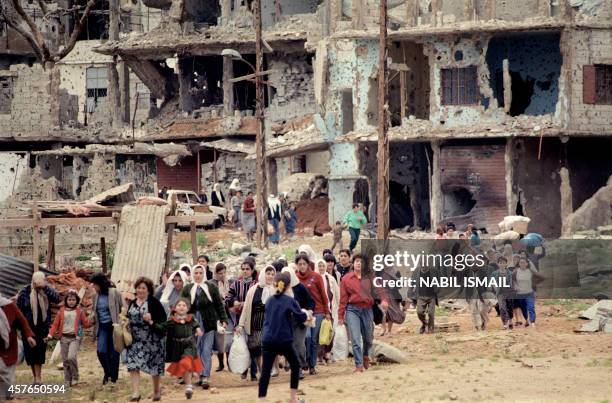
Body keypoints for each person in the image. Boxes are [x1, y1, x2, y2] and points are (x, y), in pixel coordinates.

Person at [257, 272, 310, 402]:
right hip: (284, 339)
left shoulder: (269, 301)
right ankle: (292, 398)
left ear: (275, 284)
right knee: (295, 365)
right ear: (289, 286)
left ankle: (261, 400)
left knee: (265, 371)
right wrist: (307, 313)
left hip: (268, 339)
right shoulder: (290, 301)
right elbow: (301, 317)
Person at [338, 254, 388, 372]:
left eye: (361, 262)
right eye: (356, 261)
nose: (359, 263)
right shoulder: (346, 279)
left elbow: (379, 289)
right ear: (353, 263)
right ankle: (358, 365)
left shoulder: (370, 277)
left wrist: (384, 300)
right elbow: (343, 299)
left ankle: (366, 355)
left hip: (367, 309)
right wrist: (340, 315)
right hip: (352, 310)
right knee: (355, 339)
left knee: (368, 338)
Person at [182, 264, 228, 389]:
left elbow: (219, 304)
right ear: (192, 274)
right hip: (192, 323)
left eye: (200, 273)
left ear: (204, 274)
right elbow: (182, 306)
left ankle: (205, 377)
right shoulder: (187, 289)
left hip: (208, 322)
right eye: (195, 273)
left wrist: (223, 319)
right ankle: (198, 374)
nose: (198, 275)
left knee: (206, 350)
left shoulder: (211, 287)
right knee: (195, 350)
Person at [152, 298, 204, 400]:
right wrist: (151, 323)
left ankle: (189, 385)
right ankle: (189, 383)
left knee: (186, 361)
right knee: (183, 365)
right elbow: (161, 328)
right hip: (176, 346)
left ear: (188, 308)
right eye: (179, 305)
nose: (181, 307)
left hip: (189, 344)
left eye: (184, 305)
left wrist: (198, 329)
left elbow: (196, 324)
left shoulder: (190, 318)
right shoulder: (172, 320)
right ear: (175, 308)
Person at [126, 277, 167, 402]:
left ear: (148, 290)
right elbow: (128, 317)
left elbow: (163, 320)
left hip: (152, 339)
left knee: (154, 367)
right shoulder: (132, 303)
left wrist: (151, 319)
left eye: (143, 288)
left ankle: (156, 391)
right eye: (138, 288)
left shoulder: (154, 302)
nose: (140, 290)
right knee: (133, 365)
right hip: (135, 340)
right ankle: (136, 393)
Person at [16, 271, 60, 384]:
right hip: (28, 327)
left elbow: (57, 298)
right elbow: (19, 310)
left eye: (42, 281)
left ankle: (38, 378)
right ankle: (35, 377)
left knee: (39, 352)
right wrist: (20, 328)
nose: (38, 285)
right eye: (37, 282)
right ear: (33, 281)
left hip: (42, 327)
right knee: (30, 353)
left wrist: (44, 288)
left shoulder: (46, 290)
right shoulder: (25, 292)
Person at [46, 290, 91, 386]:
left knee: (71, 357)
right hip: (63, 338)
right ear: (66, 300)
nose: (71, 301)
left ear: (77, 300)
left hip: (75, 338)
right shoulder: (61, 312)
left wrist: (93, 318)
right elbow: (55, 325)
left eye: (73, 299)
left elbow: (86, 324)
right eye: (69, 299)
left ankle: (75, 377)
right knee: (65, 360)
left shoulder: (80, 311)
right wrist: (50, 335)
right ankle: (67, 380)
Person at [238, 266, 276, 378]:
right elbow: (246, 308)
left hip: (270, 324)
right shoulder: (253, 289)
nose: (270, 276)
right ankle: (262, 371)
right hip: (255, 324)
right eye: (268, 273)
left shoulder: (275, 289)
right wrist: (240, 324)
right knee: (256, 349)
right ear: (263, 274)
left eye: (272, 274)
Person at [295, 253, 330, 375]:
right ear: (297, 265)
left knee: (314, 340)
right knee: (306, 338)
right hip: (302, 313)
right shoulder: (295, 278)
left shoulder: (316, 277)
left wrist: (327, 312)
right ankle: (303, 362)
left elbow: (323, 295)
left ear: (308, 264)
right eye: (300, 264)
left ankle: (312, 365)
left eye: (304, 264)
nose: (302, 266)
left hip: (318, 311)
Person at [225, 259, 258, 380]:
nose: (245, 271)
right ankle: (244, 369)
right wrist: (234, 301)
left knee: (253, 345)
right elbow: (227, 298)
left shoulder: (256, 285)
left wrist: (246, 304)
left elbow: (258, 301)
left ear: (252, 270)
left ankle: (253, 372)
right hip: (239, 319)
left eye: (247, 269)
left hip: (253, 320)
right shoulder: (236, 284)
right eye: (243, 269)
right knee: (242, 345)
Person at [0, 293, 35, 400]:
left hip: (9, 344)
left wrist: (29, 336)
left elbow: (22, 321)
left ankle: (8, 393)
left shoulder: (9, 305)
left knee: (7, 370)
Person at [90, 273, 123, 385]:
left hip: (114, 326)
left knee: (114, 353)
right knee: (101, 351)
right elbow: (94, 311)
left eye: (95, 284)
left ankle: (113, 377)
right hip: (102, 327)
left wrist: (121, 323)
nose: (93, 287)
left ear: (100, 284)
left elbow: (123, 308)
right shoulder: (95, 296)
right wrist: (92, 317)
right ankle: (107, 372)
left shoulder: (114, 293)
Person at [282, 265, 314, 378]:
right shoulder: (280, 289)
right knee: (290, 345)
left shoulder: (299, 287)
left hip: (300, 320)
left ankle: (300, 366)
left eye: (288, 275)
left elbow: (310, 301)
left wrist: (309, 310)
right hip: (286, 321)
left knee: (299, 343)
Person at [209, 263, 234, 372]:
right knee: (219, 341)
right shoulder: (211, 284)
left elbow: (233, 296)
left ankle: (229, 363)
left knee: (229, 341)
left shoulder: (230, 283)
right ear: (215, 273)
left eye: (224, 273)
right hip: (217, 315)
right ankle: (220, 364)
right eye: (220, 273)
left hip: (229, 315)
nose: (222, 275)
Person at [315, 259, 339, 364]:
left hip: (332, 309)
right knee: (319, 333)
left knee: (330, 331)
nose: (321, 268)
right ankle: (319, 356)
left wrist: (339, 308)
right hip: (320, 310)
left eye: (322, 266)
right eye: (319, 266)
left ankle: (327, 353)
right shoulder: (315, 278)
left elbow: (337, 294)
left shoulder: (330, 278)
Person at [513, 257, 543, 328]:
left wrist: (534, 286)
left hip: (529, 292)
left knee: (531, 307)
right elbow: (513, 281)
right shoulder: (515, 272)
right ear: (519, 264)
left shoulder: (531, 271)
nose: (522, 264)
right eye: (521, 262)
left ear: (527, 264)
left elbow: (539, 278)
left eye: (524, 262)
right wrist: (515, 286)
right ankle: (526, 319)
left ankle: (532, 322)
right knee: (523, 308)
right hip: (520, 294)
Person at [378, 267, 406, 337]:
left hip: (392, 294)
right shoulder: (379, 271)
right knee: (383, 311)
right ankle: (383, 328)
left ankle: (389, 331)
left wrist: (394, 284)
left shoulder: (396, 272)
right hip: (382, 293)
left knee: (391, 313)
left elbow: (400, 285)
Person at [414, 264, 438, 334]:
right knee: (419, 312)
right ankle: (424, 323)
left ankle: (431, 328)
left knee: (431, 313)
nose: (424, 266)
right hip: (421, 296)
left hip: (431, 296)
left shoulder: (433, 272)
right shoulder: (417, 272)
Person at [491, 256, 514, 330]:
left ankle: (510, 321)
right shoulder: (494, 273)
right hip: (500, 293)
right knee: (502, 308)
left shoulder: (510, 273)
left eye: (503, 263)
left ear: (506, 264)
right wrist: (496, 289)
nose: (502, 264)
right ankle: (505, 323)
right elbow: (492, 282)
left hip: (509, 292)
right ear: (498, 264)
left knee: (509, 308)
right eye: (500, 263)